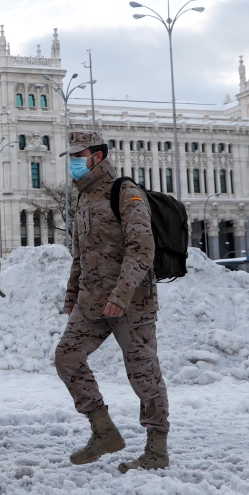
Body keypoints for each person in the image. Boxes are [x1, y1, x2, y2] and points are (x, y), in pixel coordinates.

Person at [54, 130, 169, 473]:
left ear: (98, 156)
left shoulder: (125, 192)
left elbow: (142, 247)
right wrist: (72, 294)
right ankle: (103, 431)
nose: (74, 162)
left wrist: (121, 295)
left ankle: (156, 449)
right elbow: (79, 254)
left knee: (143, 373)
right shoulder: (83, 198)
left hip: (131, 303)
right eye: (71, 157)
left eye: (79, 155)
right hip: (91, 303)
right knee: (67, 357)